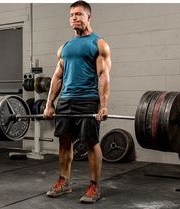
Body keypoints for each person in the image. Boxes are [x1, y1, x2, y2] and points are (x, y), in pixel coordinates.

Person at [43, 0, 111, 204]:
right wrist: (49, 104)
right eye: (72, 14)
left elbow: (103, 75)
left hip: (88, 100)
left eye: (79, 14)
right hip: (66, 101)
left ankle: (94, 186)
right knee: (64, 142)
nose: (74, 17)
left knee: (91, 142)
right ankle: (63, 181)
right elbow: (57, 77)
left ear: (89, 17)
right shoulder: (65, 47)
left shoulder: (98, 43)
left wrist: (104, 104)